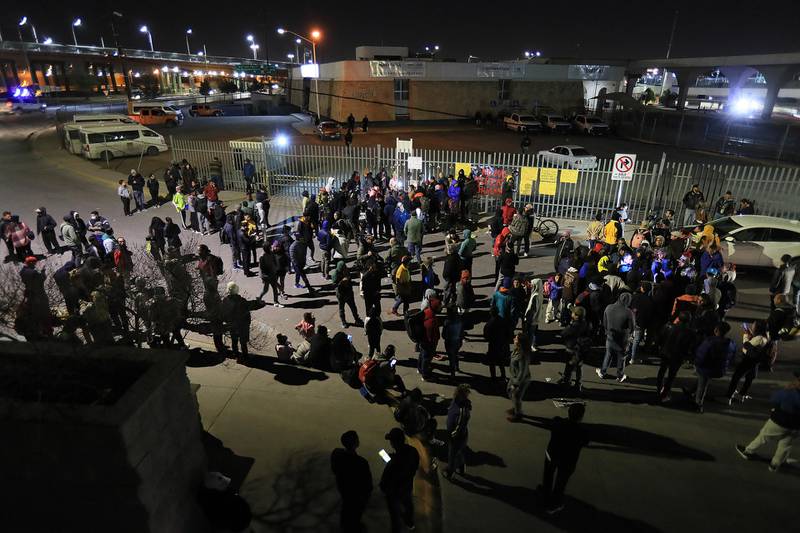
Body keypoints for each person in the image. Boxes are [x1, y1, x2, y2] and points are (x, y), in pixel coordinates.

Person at [736, 369, 800, 472]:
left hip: (780, 421)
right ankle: (775, 464)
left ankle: (748, 451)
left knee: (764, 436)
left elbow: (774, 399)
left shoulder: (790, 392)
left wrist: (786, 389)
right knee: (785, 444)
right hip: (796, 426)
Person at [540, 403, 589, 515]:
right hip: (568, 460)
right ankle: (554, 503)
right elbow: (584, 442)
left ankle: (545, 493)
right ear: (581, 416)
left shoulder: (557, 422)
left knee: (548, 475)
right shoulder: (583, 432)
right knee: (560, 482)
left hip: (552, 454)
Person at [686, 322, 735, 413]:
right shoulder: (730, 343)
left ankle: (698, 404)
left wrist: (695, 363)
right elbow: (732, 357)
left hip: (706, 368)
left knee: (703, 385)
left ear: (716, 330)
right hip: (719, 369)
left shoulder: (710, 341)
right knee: (701, 380)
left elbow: (701, 355)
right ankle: (691, 391)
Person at [331, 430, 373, 533]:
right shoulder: (361, 463)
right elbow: (368, 485)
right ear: (356, 443)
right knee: (355, 516)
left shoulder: (337, 456)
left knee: (346, 511)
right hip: (357, 496)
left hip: (344, 491)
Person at [380, 427, 420, 533]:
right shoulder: (413, 451)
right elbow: (413, 465)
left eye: (391, 441)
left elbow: (386, 478)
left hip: (394, 491)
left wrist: (383, 488)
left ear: (394, 443)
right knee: (408, 504)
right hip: (407, 486)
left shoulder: (393, 462)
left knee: (394, 514)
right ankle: (409, 522)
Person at [727, 319, 771, 404]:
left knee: (736, 376)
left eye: (754, 326)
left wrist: (746, 335)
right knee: (749, 377)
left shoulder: (759, 338)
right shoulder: (766, 335)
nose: (752, 327)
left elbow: (746, 346)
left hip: (749, 359)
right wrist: (751, 334)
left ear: (758, 328)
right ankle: (742, 395)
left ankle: (729, 396)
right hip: (755, 360)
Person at [597, 292, 634, 383]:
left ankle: (602, 372)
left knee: (608, 354)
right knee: (621, 357)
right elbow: (632, 327)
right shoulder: (629, 312)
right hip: (623, 339)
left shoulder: (609, 307)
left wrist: (607, 331)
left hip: (610, 336)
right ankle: (620, 375)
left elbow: (604, 322)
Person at [221, 282, 256, 363]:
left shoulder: (225, 301)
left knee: (234, 341)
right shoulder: (242, 301)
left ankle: (237, 356)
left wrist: (227, 322)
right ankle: (245, 357)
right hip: (242, 325)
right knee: (243, 343)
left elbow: (223, 313)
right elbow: (248, 312)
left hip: (232, 325)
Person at [558, 307, 591, 391]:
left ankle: (566, 382)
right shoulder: (586, 323)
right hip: (582, 350)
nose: (571, 314)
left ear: (576, 316)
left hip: (572, 349)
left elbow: (564, 333)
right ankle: (578, 383)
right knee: (579, 367)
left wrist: (569, 325)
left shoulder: (574, 326)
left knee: (569, 366)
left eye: (573, 313)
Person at [443, 384, 472, 480]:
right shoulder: (455, 402)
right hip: (456, 434)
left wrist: (452, 436)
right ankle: (461, 467)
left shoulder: (463, 411)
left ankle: (449, 472)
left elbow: (460, 426)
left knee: (452, 454)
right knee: (458, 453)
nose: (454, 394)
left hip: (457, 437)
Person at [507, 333, 532, 422]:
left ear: (520, 342)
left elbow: (522, 371)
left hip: (521, 380)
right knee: (510, 393)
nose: (514, 339)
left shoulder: (522, 355)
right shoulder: (516, 350)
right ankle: (516, 408)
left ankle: (518, 414)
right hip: (514, 376)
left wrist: (516, 384)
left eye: (516, 339)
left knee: (517, 397)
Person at [442, 306, 464, 377]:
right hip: (458, 341)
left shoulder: (447, 322)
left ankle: (452, 374)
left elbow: (443, 334)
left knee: (451, 358)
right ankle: (457, 368)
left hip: (449, 342)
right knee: (456, 354)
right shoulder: (459, 320)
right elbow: (462, 332)